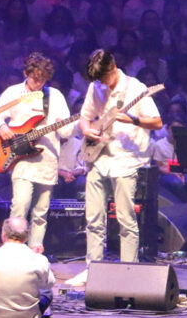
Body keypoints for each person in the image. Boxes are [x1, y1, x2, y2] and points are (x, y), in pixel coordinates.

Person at [69, 49, 162, 286]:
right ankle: (93, 268)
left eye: (104, 78)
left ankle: (128, 270)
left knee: (125, 218)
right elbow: (85, 117)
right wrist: (87, 129)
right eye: (98, 80)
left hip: (126, 160)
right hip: (98, 158)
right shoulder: (96, 87)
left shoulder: (136, 88)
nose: (103, 84)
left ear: (113, 68)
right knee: (94, 218)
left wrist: (132, 119)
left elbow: (157, 122)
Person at [0, 52, 71, 253]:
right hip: (21, 158)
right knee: (20, 205)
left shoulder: (55, 96)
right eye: (35, 78)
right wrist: (1, 127)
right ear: (26, 73)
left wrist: (63, 126)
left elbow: (67, 131)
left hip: (47, 160)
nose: (39, 82)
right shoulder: (13, 93)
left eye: (43, 79)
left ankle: (34, 251)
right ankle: (13, 250)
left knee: (41, 212)